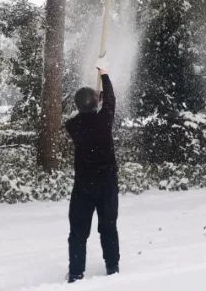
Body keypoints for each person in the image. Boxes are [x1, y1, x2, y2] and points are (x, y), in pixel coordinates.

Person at [65, 58, 120, 283]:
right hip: (107, 183)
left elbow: (95, 110)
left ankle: (76, 272)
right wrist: (104, 74)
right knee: (108, 227)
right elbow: (111, 101)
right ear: (96, 104)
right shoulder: (104, 121)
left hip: (84, 186)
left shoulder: (72, 126)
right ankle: (113, 267)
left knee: (78, 231)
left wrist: (96, 102)